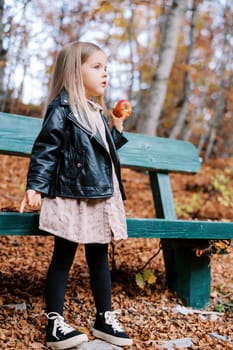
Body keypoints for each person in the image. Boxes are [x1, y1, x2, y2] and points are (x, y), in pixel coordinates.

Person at [20, 41, 133, 350]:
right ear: (74, 71)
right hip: (71, 194)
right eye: (96, 67)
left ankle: (104, 318)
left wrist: (117, 128)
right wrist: (36, 186)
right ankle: (55, 323)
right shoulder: (63, 108)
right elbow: (46, 149)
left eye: (106, 67)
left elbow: (102, 150)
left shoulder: (95, 110)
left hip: (99, 195)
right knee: (64, 255)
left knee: (98, 256)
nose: (105, 73)